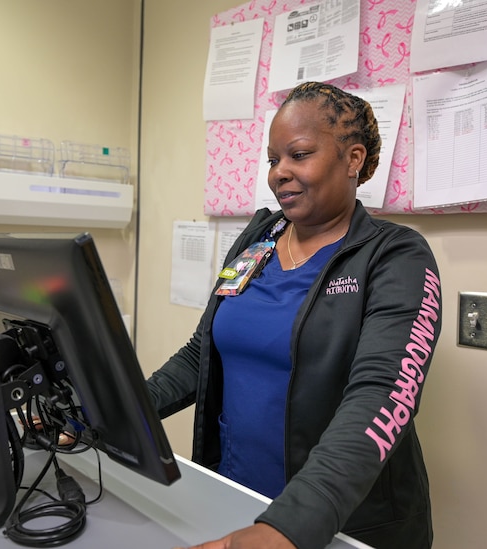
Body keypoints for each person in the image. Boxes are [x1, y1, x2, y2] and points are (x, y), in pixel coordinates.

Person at [146, 81, 441, 549]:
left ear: (353, 159)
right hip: (237, 498)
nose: (278, 173)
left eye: (298, 155)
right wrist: (117, 413)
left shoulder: (396, 255)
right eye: (272, 159)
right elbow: (203, 352)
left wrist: (287, 527)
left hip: (332, 523)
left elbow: (384, 396)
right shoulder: (259, 239)